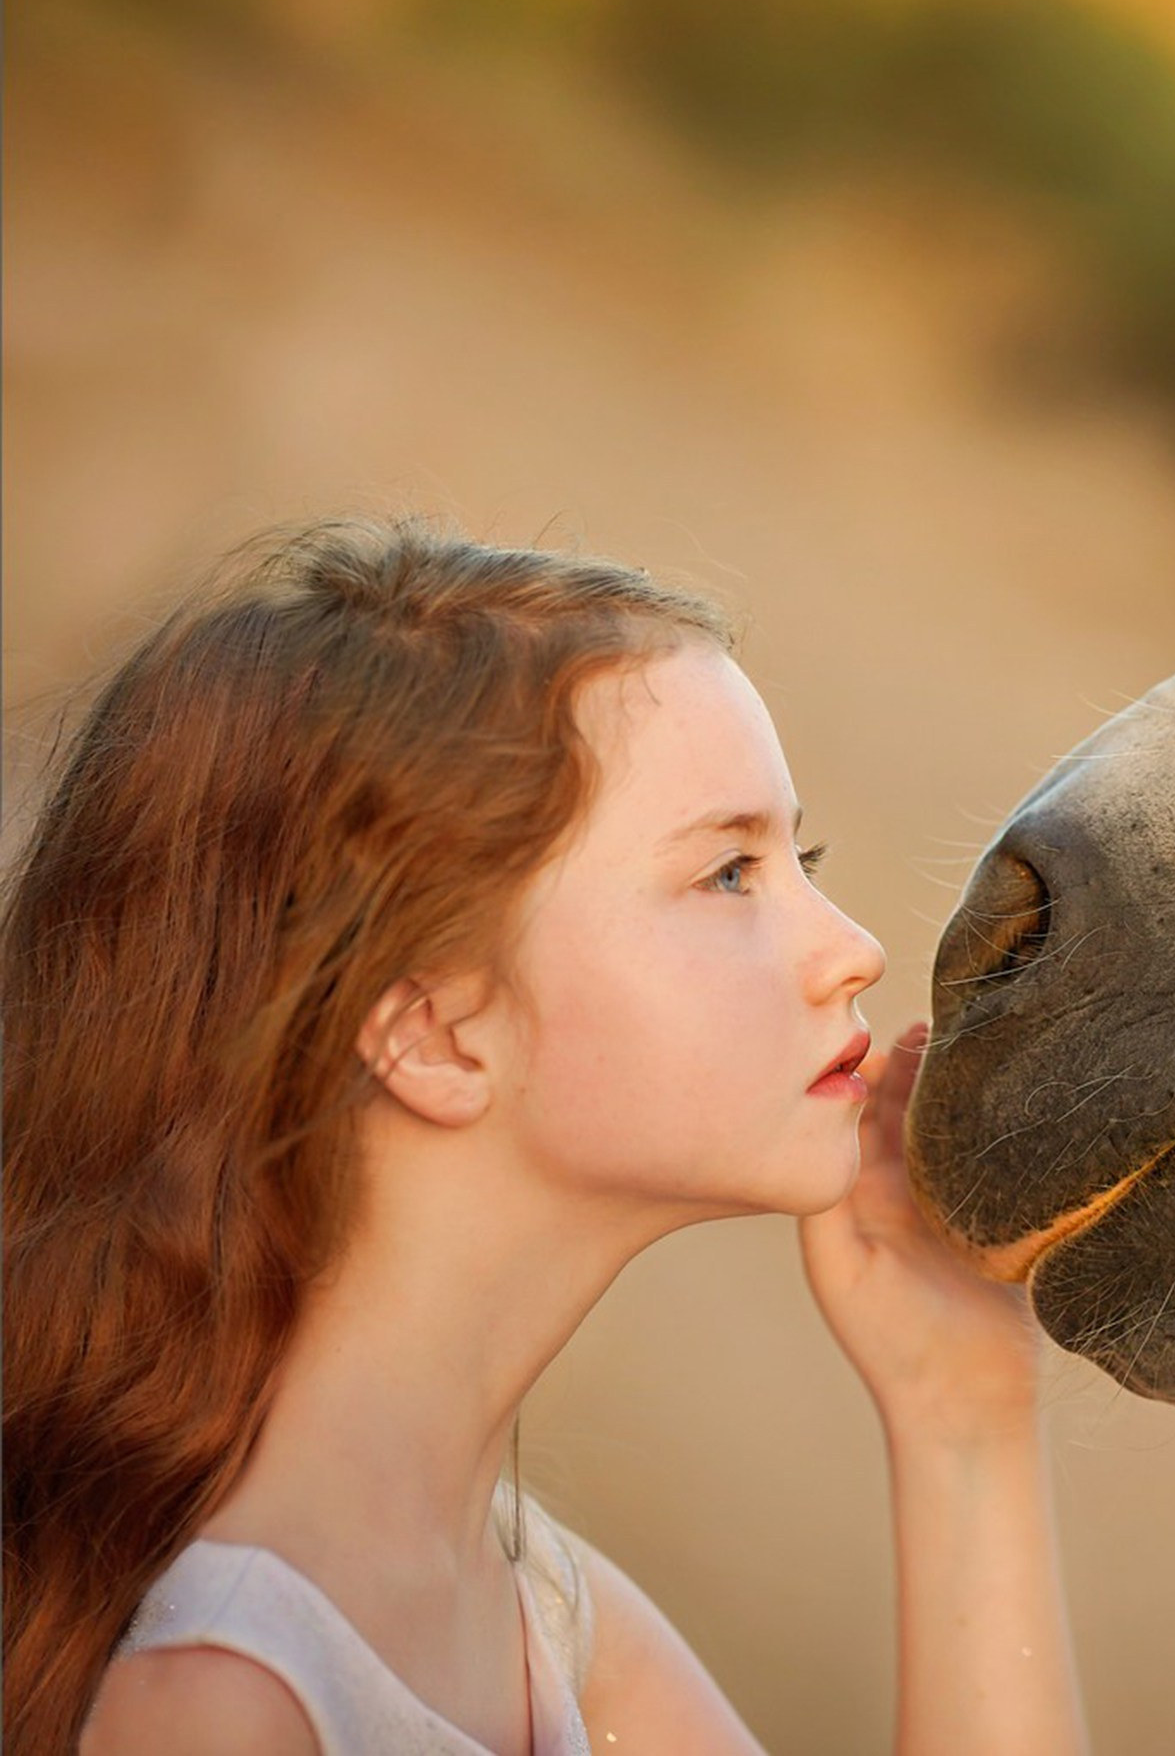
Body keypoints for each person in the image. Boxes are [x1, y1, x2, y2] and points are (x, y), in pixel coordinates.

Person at [1, 519, 1087, 1755]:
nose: (853, 948)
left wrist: (961, 1414)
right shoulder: (226, 1703)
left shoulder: (537, 1619)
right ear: (433, 1034)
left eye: (801, 854)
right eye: (729, 873)